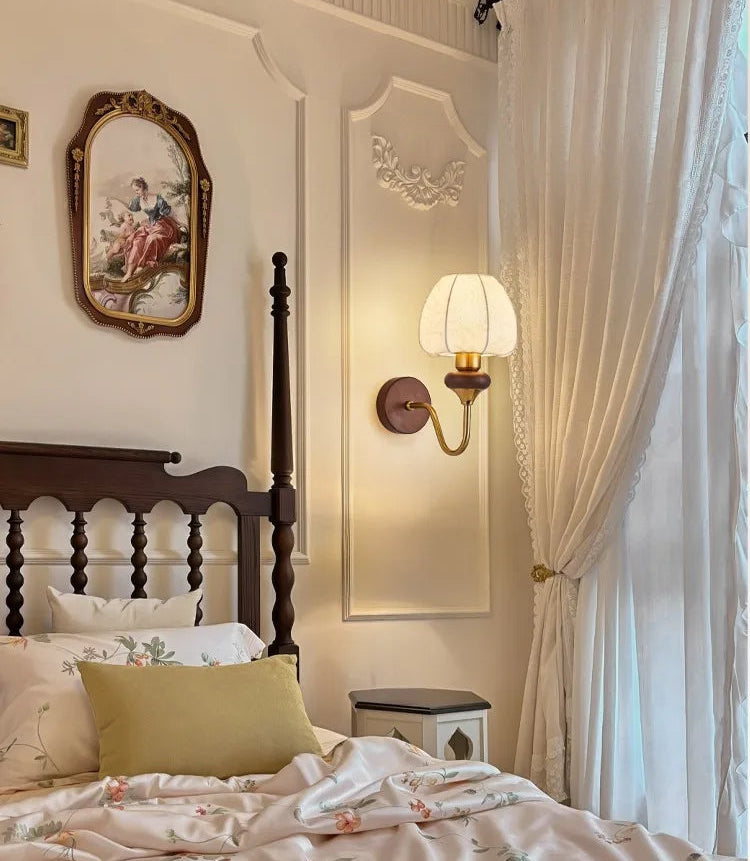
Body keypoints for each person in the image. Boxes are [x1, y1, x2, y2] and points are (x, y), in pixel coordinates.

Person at [120, 177, 181, 281]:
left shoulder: (158, 199)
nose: (136, 193)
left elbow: (169, 213)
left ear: (143, 188)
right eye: (135, 191)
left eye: (137, 190)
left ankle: (142, 266)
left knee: (152, 239)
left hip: (162, 226)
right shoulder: (137, 200)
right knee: (137, 240)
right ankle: (129, 272)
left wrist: (179, 224)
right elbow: (129, 208)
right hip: (149, 225)